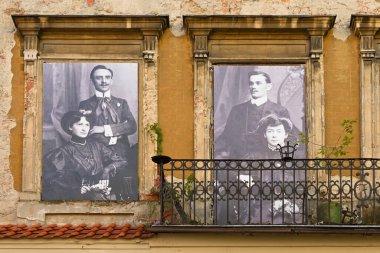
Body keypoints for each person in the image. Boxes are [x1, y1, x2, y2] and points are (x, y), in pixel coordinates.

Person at [79, 65, 138, 200]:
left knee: (125, 194)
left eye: (107, 77)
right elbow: (88, 131)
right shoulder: (85, 105)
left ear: (111, 80)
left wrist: (104, 129)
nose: (104, 81)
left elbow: (131, 126)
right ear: (92, 81)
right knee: (101, 194)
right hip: (97, 156)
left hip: (122, 155)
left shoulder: (121, 103)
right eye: (99, 78)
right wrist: (119, 131)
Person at [42, 110, 128, 201]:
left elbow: (122, 161)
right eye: (80, 124)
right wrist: (79, 189)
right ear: (70, 127)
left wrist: (107, 170)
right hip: (78, 198)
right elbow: (54, 182)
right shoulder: (63, 152)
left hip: (102, 194)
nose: (84, 128)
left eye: (87, 125)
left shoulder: (97, 146)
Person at [215, 70, 291, 159]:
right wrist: (209, 150)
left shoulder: (280, 111)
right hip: (239, 162)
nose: (254, 86)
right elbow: (226, 137)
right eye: (251, 83)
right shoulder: (237, 110)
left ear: (268, 86)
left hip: (267, 162)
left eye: (258, 83)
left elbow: (289, 139)